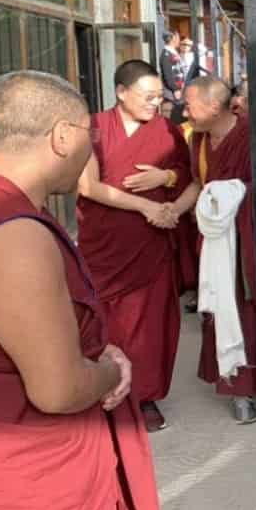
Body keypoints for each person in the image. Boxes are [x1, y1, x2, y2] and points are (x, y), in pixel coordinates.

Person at [0, 70, 161, 510]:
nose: (91, 148)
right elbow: (55, 389)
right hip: (17, 486)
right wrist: (112, 372)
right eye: (88, 136)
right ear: (61, 137)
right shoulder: (12, 233)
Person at [167, 76, 256, 424]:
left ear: (214, 106)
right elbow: (199, 182)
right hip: (217, 242)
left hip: (253, 241)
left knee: (255, 316)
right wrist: (173, 210)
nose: (185, 111)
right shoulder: (197, 137)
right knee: (222, 314)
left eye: (190, 104)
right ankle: (237, 389)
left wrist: (234, 194)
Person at [76, 60, 190, 433]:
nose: (154, 104)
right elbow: (88, 187)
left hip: (150, 243)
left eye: (159, 97)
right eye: (147, 96)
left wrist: (167, 178)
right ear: (121, 92)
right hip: (105, 243)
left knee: (149, 323)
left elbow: (190, 178)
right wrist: (146, 206)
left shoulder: (167, 131)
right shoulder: (92, 129)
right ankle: (103, 392)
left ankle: (144, 396)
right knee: (106, 320)